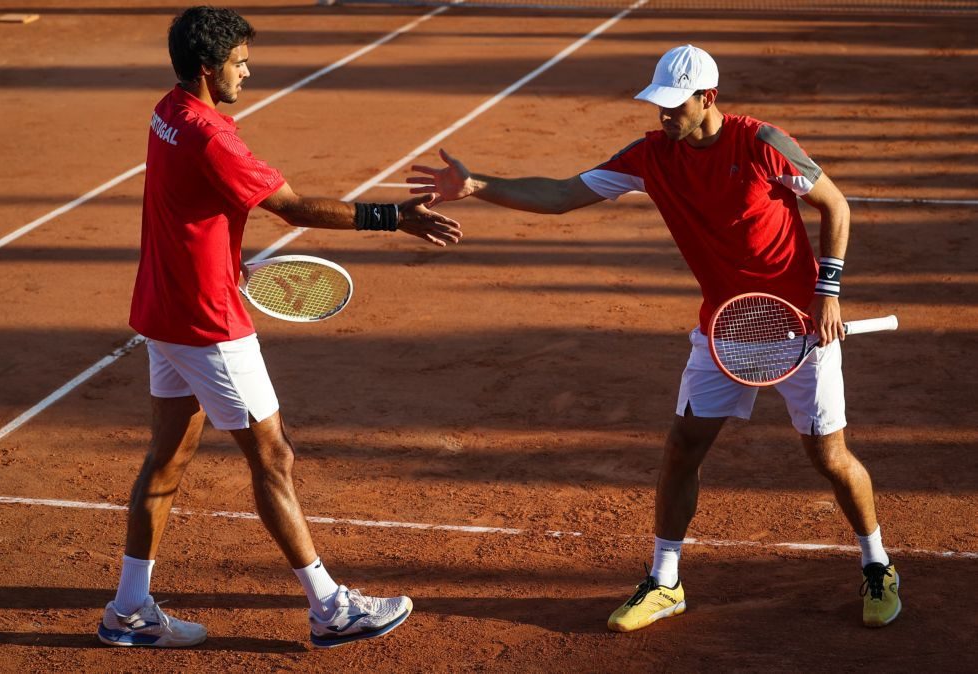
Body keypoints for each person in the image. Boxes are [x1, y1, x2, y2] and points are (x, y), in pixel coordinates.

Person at [407, 44, 900, 630]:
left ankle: (877, 565)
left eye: (675, 104)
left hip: (800, 326)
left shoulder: (763, 144)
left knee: (828, 456)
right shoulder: (650, 156)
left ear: (708, 98)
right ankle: (664, 581)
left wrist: (828, 292)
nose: (663, 114)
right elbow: (564, 194)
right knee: (682, 448)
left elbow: (833, 203)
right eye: (657, 103)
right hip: (723, 326)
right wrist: (478, 186)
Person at [98, 6, 462, 650]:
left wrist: (217, 256)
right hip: (209, 322)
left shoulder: (168, 110)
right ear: (209, 69)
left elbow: (186, 208)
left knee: (169, 457)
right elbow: (291, 207)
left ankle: (129, 608)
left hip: (164, 308)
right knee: (273, 455)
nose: (248, 70)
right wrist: (391, 218)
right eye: (240, 61)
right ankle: (330, 608)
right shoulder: (213, 138)